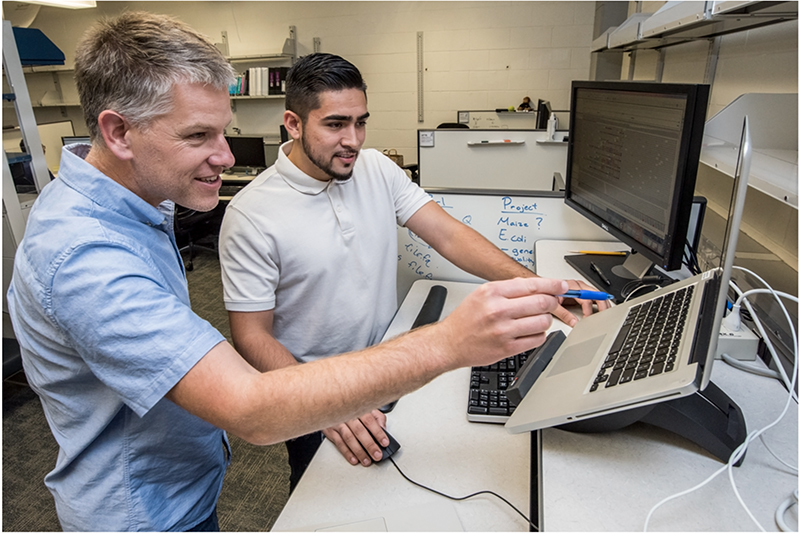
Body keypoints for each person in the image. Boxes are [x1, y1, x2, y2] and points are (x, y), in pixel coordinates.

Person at [7, 12, 570, 532]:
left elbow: (446, 232)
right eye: (198, 136)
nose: (226, 156)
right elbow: (249, 406)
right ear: (119, 133)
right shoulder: (87, 255)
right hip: (142, 509)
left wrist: (534, 286)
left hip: (185, 478)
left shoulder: (136, 195)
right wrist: (448, 342)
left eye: (220, 131)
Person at [218, 53, 609, 489]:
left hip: (395, 362)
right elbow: (252, 335)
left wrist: (536, 286)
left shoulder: (376, 169)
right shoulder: (251, 214)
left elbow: (447, 235)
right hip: (316, 390)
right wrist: (325, 404)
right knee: (323, 500)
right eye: (335, 124)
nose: (353, 139)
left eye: (361, 122)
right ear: (293, 123)